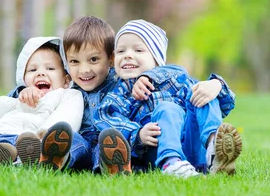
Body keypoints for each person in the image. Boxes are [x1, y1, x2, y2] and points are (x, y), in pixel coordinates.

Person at [95, 19, 242, 178]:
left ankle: (215, 149)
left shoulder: (176, 79)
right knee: (168, 108)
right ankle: (171, 163)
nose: (128, 55)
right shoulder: (121, 92)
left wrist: (216, 85)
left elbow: (224, 105)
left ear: (157, 59)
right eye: (121, 51)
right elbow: (105, 117)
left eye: (138, 50)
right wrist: (137, 134)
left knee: (201, 91)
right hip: (157, 151)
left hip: (194, 145)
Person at [15, 16, 132, 175]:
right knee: (71, 140)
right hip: (79, 140)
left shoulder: (121, 85)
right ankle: (54, 159)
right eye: (75, 62)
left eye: (93, 59)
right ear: (66, 63)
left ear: (111, 59)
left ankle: (114, 166)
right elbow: (39, 94)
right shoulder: (66, 87)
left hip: (106, 140)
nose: (84, 70)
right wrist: (24, 91)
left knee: (106, 144)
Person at [0, 37, 83, 170]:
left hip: (39, 141)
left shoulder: (67, 95)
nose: (40, 73)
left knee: (40, 146)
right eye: (32, 70)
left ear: (66, 80)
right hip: (2, 137)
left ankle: (27, 157)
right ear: (23, 79)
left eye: (50, 69)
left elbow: (69, 114)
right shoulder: (9, 102)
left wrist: (46, 136)